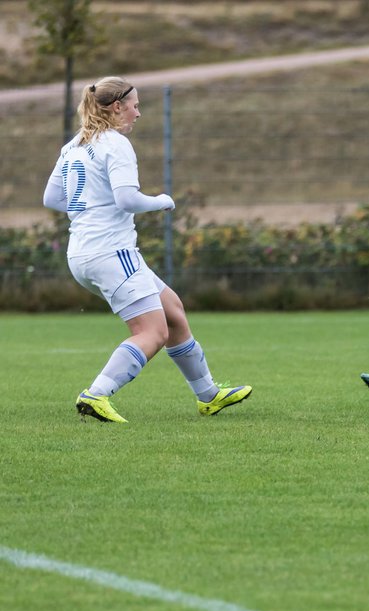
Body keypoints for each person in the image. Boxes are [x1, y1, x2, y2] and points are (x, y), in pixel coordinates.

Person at [42, 76, 251, 423]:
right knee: (153, 333)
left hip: (82, 253)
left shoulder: (75, 145)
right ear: (117, 107)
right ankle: (96, 394)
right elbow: (126, 199)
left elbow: (51, 199)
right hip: (111, 252)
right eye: (135, 106)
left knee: (173, 312)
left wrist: (91, 207)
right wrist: (161, 201)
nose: (139, 114)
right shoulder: (115, 144)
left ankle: (208, 395)